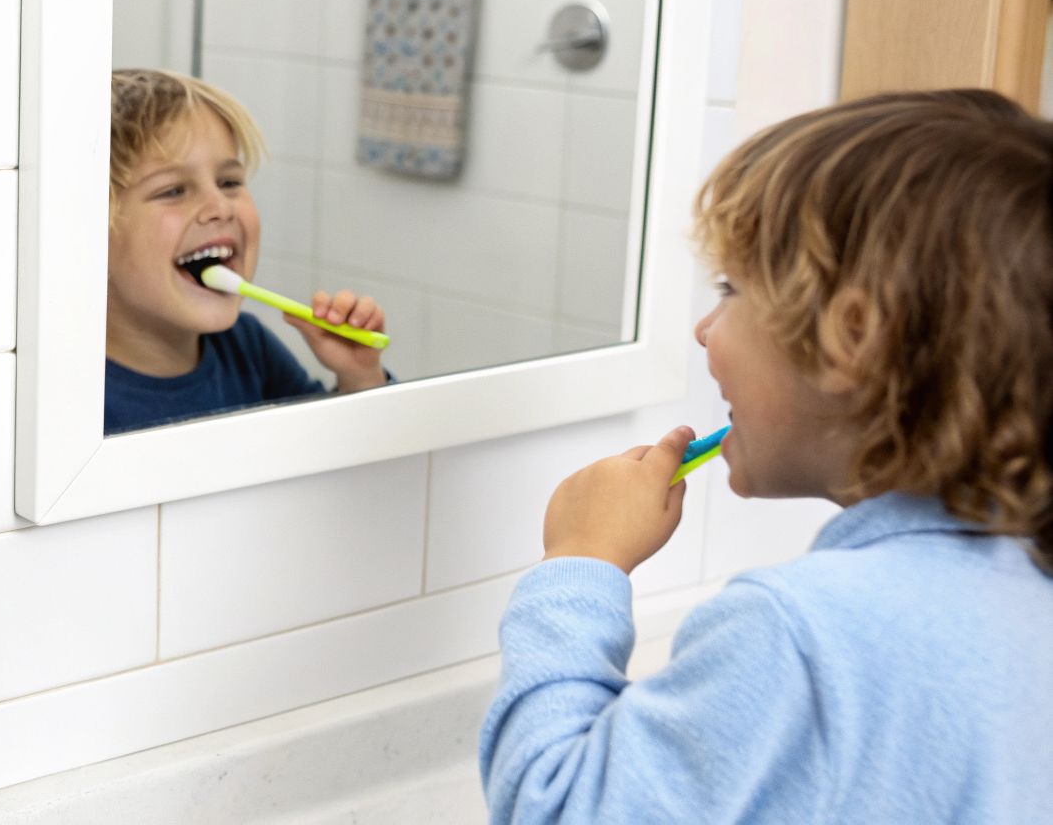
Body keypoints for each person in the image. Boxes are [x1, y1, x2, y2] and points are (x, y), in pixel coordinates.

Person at [480, 90, 1053, 822]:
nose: (703, 329)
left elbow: (554, 807)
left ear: (854, 338)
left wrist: (581, 563)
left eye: (731, 289)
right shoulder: (1028, 576)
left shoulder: (800, 636)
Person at [105, 69, 389, 434]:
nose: (220, 207)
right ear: (90, 238)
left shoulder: (246, 347)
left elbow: (328, 469)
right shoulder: (69, 396)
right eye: (173, 190)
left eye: (229, 182)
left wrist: (360, 378)